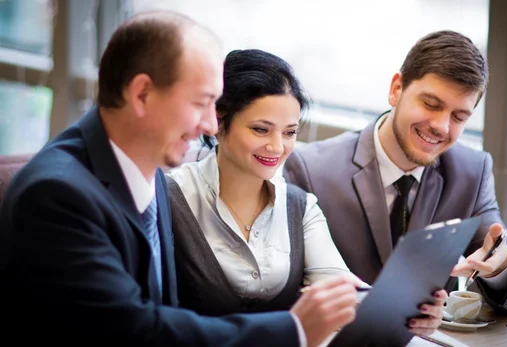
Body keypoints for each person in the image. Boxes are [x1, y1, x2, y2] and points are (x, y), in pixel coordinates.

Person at [0, 11, 360, 346]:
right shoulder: (56, 195)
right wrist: (293, 329)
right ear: (142, 94)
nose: (209, 125)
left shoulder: (145, 168)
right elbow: (133, 330)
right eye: (201, 103)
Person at [169, 48, 446, 337]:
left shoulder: (300, 207)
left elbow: (342, 286)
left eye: (289, 133)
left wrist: (408, 308)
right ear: (218, 120)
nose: (277, 147)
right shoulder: (169, 198)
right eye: (261, 130)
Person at [284, 30, 507, 317]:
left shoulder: (471, 172)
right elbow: (284, 290)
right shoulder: (310, 169)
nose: (441, 126)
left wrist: (501, 264)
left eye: (458, 117)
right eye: (431, 104)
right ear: (396, 89)